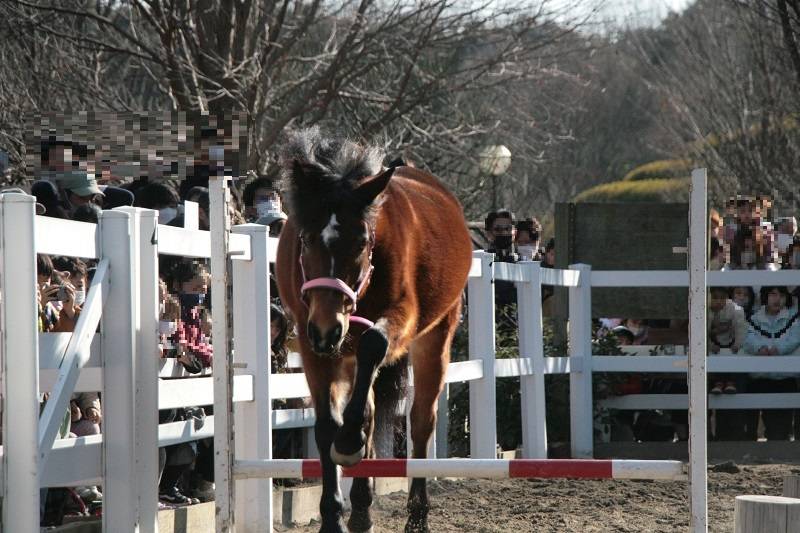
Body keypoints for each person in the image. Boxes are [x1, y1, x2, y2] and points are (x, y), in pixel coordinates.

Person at [742, 286, 800, 440]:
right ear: (765, 296)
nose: (777, 299)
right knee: (749, 427)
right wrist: (759, 348)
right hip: (758, 378)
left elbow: (794, 339)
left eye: (781, 295)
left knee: (779, 432)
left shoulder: (794, 318)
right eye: (773, 294)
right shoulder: (753, 318)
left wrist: (778, 349)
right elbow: (747, 338)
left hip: (784, 378)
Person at [707, 287, 747, 394]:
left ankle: (731, 382)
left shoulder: (735, 308)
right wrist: (710, 345)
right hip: (714, 343)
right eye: (715, 298)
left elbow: (740, 328)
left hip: (731, 341)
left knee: (734, 357)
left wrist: (737, 343)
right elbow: (701, 332)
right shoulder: (704, 309)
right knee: (714, 359)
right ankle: (718, 383)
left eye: (722, 298)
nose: (719, 301)